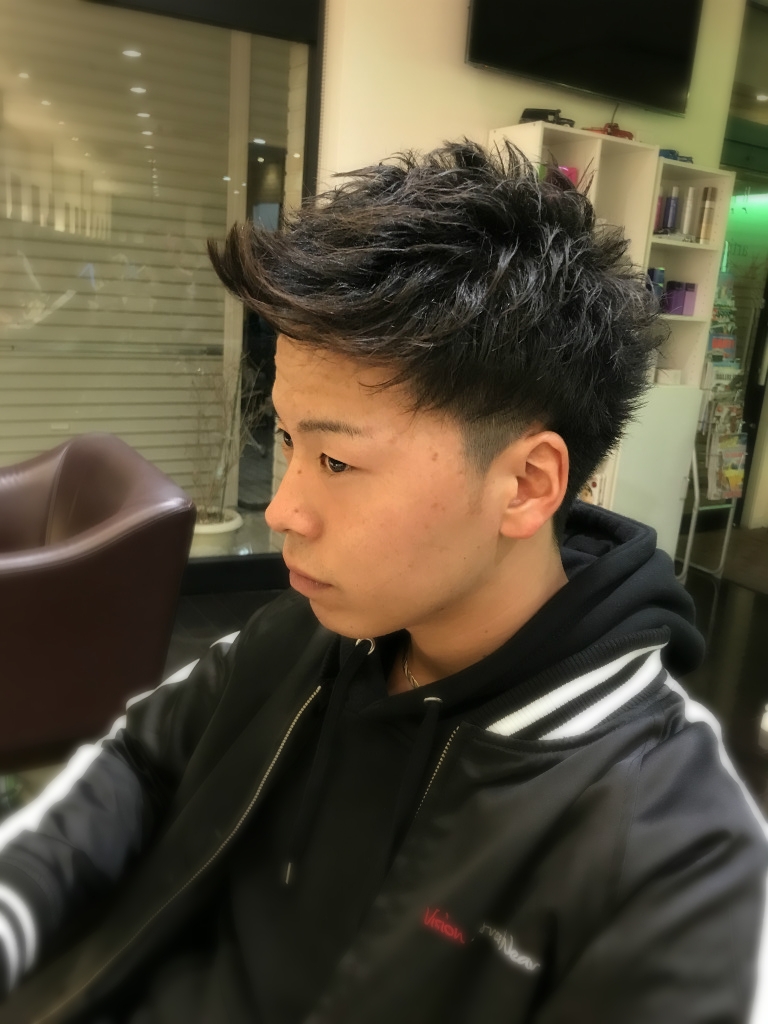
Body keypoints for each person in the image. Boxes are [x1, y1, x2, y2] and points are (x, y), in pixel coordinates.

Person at [0, 140, 765, 1024]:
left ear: (526, 484)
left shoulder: (669, 853)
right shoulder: (303, 637)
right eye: (288, 442)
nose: (283, 509)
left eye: (336, 461)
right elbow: (143, 759)